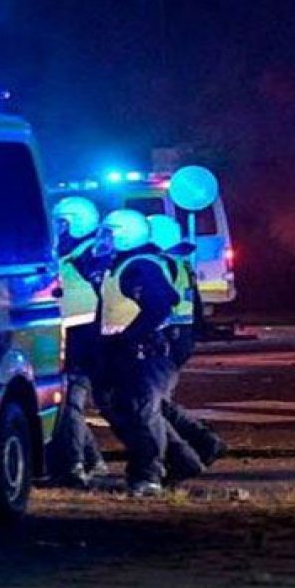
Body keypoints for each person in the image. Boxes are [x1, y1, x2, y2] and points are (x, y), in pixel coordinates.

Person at [96, 209, 191, 496]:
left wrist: (130, 337)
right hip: (128, 353)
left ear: (126, 236)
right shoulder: (127, 264)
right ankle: (182, 461)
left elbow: (161, 305)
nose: (104, 240)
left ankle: (147, 476)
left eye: (109, 234)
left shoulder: (140, 267)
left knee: (142, 413)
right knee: (125, 407)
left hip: (144, 353)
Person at [147, 215, 229, 474]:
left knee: (151, 402)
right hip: (179, 338)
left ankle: (200, 446)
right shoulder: (181, 265)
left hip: (167, 339)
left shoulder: (162, 266)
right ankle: (201, 443)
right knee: (156, 401)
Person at [44, 197, 109, 488]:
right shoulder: (71, 253)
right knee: (67, 405)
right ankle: (93, 460)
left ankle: (73, 467)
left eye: (62, 222)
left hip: (82, 340)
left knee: (70, 405)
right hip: (69, 337)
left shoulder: (87, 255)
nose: (56, 228)